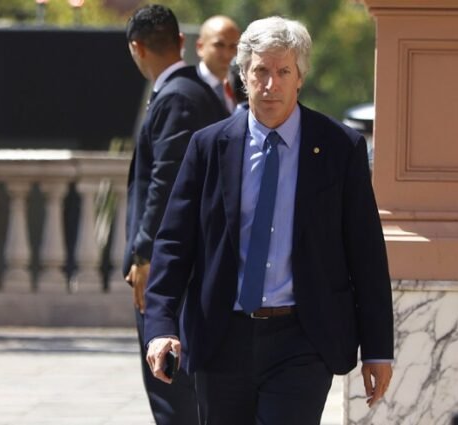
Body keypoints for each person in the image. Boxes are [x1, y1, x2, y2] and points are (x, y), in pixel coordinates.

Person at [144, 16, 394, 425]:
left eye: (283, 72)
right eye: (260, 71)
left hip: (303, 339)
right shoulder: (209, 147)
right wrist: (160, 326)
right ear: (243, 74)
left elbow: (365, 252)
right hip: (221, 337)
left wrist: (378, 349)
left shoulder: (338, 148)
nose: (270, 84)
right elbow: (174, 243)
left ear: (301, 78)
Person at [122, 4, 229, 425]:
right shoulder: (196, 92)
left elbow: (164, 183)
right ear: (182, 41)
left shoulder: (176, 98)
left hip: (170, 266)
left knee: (169, 384)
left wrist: (145, 254)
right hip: (193, 261)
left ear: (136, 48)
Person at [195, 15, 241, 113]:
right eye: (219, 45)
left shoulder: (243, 85)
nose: (227, 54)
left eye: (233, 46)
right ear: (200, 47)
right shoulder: (189, 88)